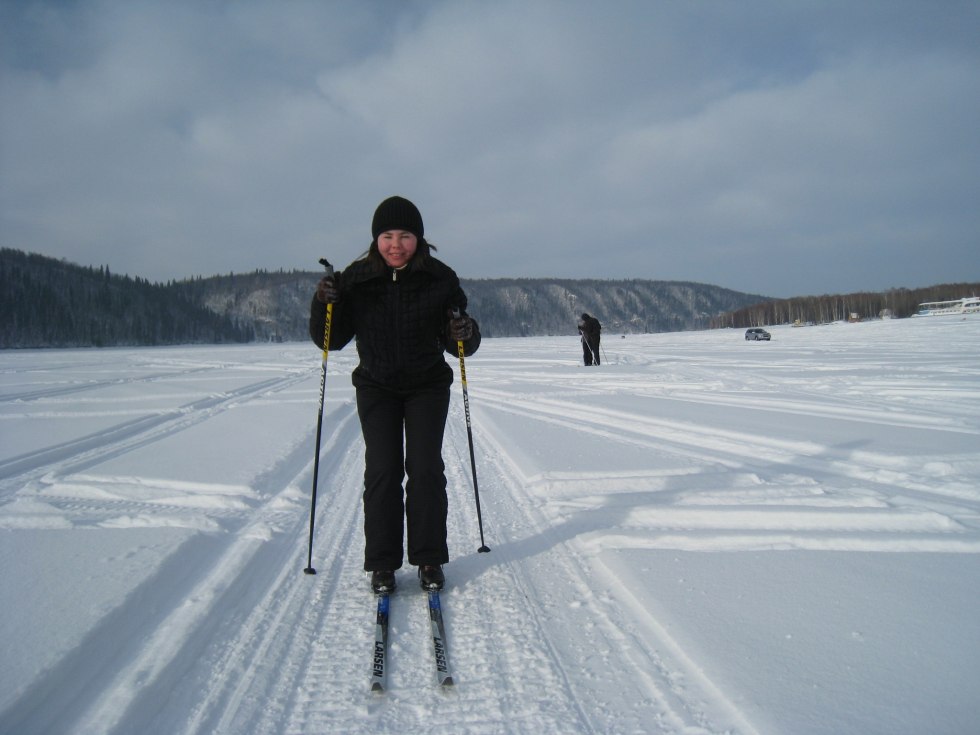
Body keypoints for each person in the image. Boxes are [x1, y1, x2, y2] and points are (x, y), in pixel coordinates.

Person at [309, 195, 481, 595]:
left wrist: (464, 332)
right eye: (387, 236)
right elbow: (330, 340)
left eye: (405, 235)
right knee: (382, 470)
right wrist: (323, 304)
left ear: (419, 239)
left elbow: (461, 345)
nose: (396, 245)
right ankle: (383, 563)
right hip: (377, 386)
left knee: (425, 469)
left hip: (427, 386)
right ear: (376, 239)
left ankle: (429, 558)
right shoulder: (355, 279)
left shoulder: (440, 278)